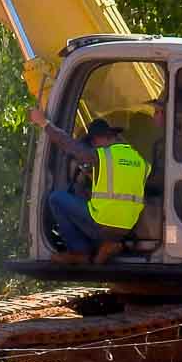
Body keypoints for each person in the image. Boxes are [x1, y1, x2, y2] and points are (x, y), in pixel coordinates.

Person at [27, 109, 151, 266]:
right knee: (88, 202)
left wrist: (44, 123)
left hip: (103, 225)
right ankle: (108, 245)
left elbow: (68, 144)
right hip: (126, 229)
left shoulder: (100, 156)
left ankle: (79, 252)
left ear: (97, 139)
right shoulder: (140, 161)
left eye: (92, 143)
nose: (93, 146)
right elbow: (124, 185)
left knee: (56, 198)